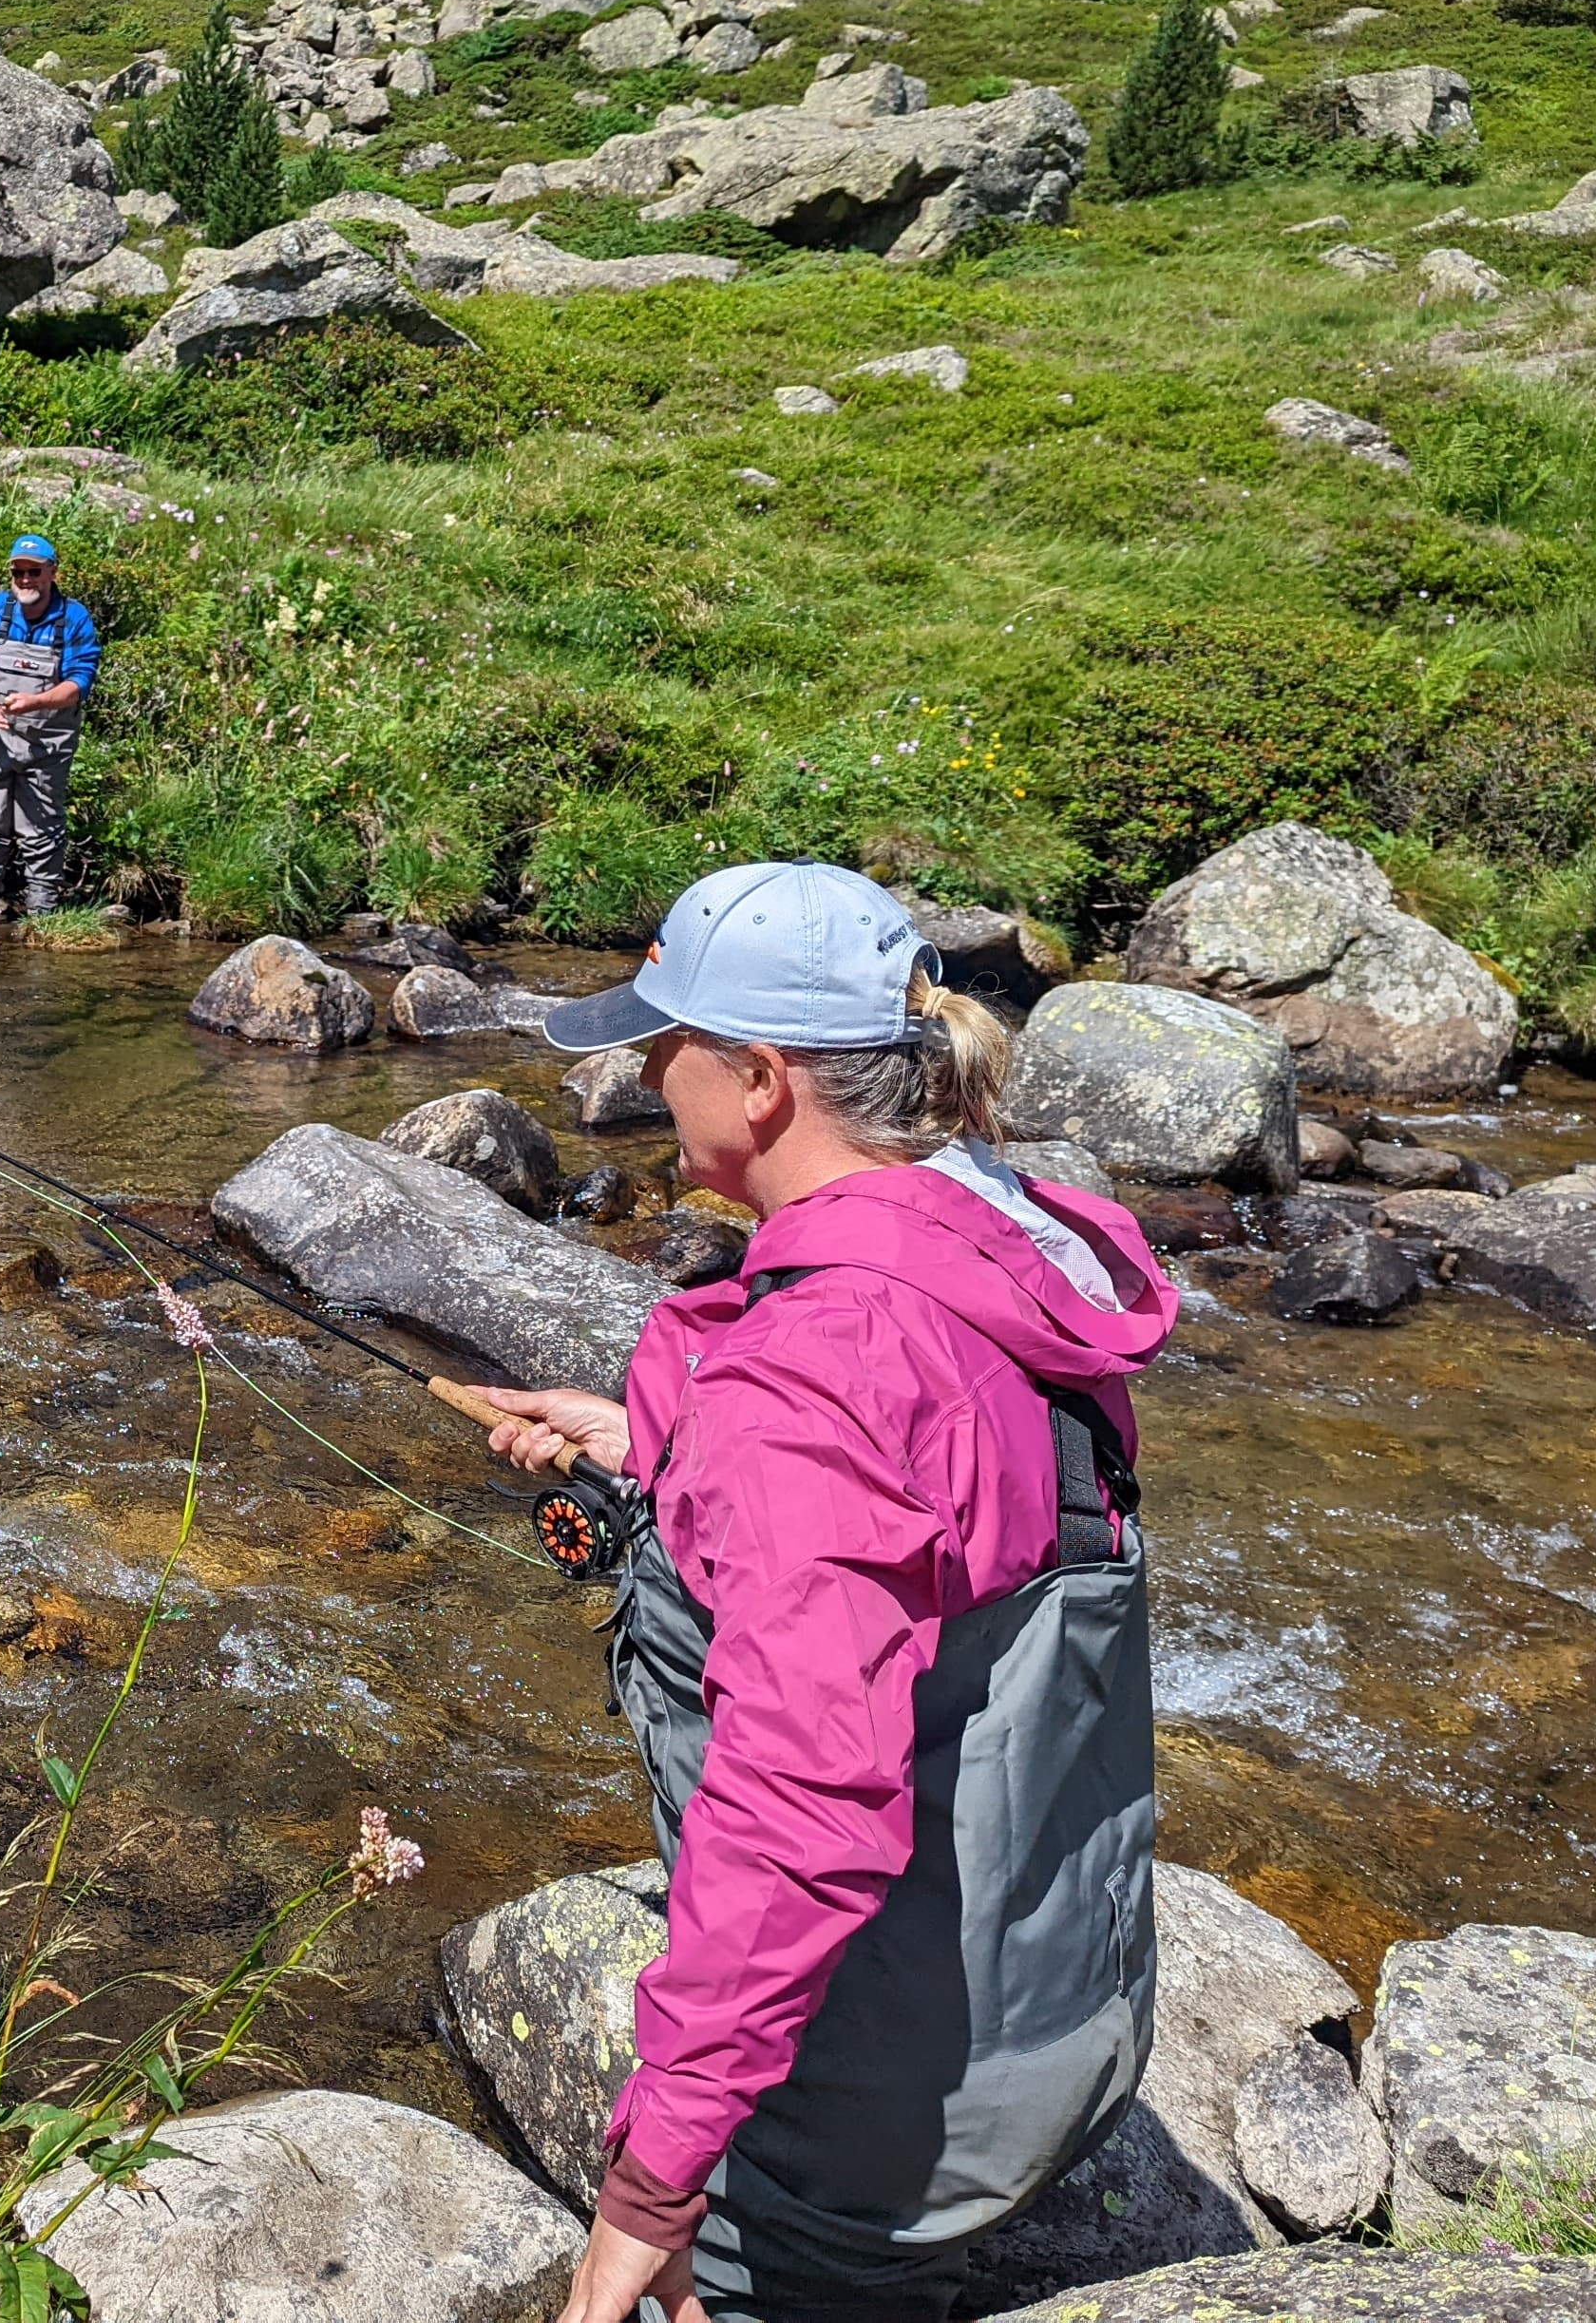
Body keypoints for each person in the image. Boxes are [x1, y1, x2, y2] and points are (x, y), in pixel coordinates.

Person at [467, 861, 1178, 2323]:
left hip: (872, 2118)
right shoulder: (994, 1243)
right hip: (1066, 2002)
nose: (650, 1075)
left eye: (668, 1045)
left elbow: (802, 1809)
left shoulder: (814, 1385)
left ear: (761, 1081)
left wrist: (656, 2190)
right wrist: (657, 1437)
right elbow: (947, 1513)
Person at [0, 535, 99, 927]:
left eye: (35, 571)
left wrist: (36, 702)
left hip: (48, 744)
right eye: (19, 572)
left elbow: (80, 681)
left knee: (42, 831)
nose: (26, 579)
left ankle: (43, 918)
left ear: (53, 572)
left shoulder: (75, 617)